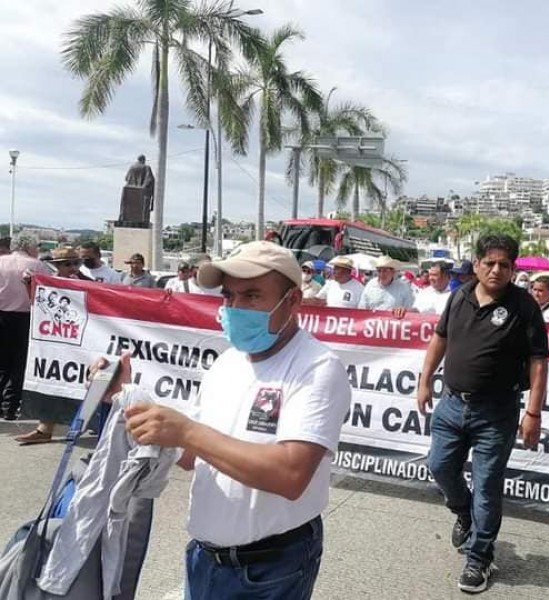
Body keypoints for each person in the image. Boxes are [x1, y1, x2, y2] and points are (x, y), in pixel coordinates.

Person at [92, 241, 351, 600]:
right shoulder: (228, 364)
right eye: (229, 297)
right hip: (206, 559)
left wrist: (188, 431)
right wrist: (129, 399)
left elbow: (290, 475)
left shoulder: (317, 369)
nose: (235, 308)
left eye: (252, 296)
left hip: (269, 570)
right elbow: (190, 455)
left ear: (292, 301)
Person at [418, 234, 549, 594]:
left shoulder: (524, 306)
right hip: (451, 405)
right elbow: (440, 338)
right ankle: (463, 511)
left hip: (497, 412)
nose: (495, 270)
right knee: (439, 466)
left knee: (488, 487)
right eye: (489, 263)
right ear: (476, 264)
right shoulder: (459, 296)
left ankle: (480, 557)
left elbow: (539, 362)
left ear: (512, 269)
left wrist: (533, 412)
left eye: (504, 264)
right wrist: (425, 379)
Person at [15, 247, 92, 443]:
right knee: (52, 382)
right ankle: (44, 429)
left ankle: (87, 426)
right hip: (56, 342)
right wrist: (29, 285)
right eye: (68, 264)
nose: (73, 267)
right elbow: (36, 303)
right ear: (58, 266)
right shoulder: (48, 283)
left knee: (85, 384)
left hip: (82, 342)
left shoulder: (85, 281)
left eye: (76, 263)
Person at [0, 233, 49, 420]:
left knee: (2, 363)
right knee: (18, 364)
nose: (38, 250)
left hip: (2, 315)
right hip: (24, 318)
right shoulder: (37, 266)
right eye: (37, 246)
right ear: (29, 246)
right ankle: (9, 407)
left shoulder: (1, 261)